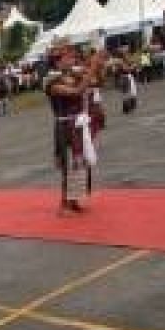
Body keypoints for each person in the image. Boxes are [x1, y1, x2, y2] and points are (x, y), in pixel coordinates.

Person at [45, 53, 93, 214]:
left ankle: (74, 199)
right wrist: (93, 67)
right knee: (67, 164)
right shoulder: (52, 82)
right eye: (67, 59)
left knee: (79, 163)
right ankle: (63, 204)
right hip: (64, 125)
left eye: (71, 58)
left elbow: (94, 83)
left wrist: (93, 69)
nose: (71, 60)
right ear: (58, 63)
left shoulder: (74, 75)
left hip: (77, 124)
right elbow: (76, 92)